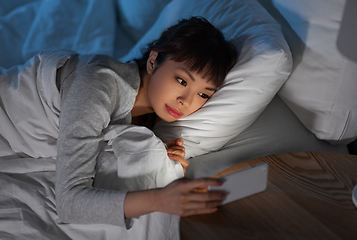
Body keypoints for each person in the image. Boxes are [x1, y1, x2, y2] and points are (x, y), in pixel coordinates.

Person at [1, 16, 238, 228]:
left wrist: (156, 153)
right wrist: (162, 199)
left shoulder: (149, 118)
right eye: (182, 81)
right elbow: (69, 202)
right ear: (154, 60)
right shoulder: (97, 84)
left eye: (204, 94)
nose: (185, 101)